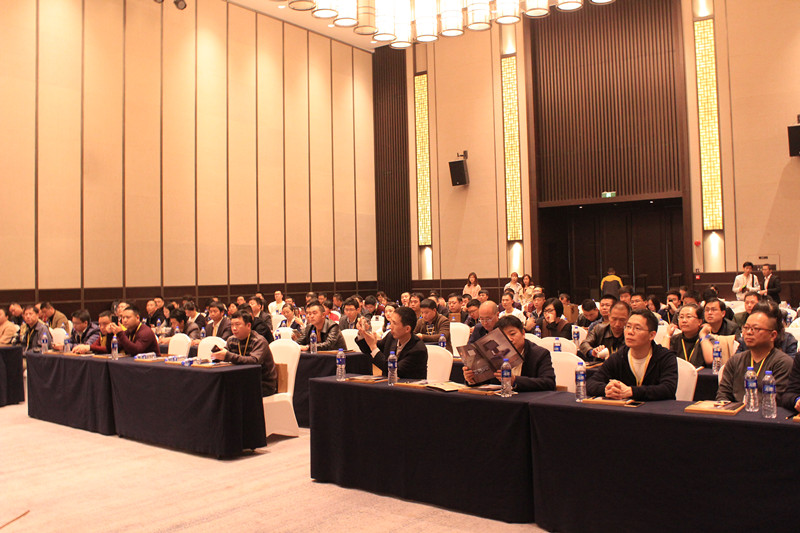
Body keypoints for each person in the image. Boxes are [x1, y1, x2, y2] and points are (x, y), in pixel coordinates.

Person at [586, 309, 678, 401]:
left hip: (657, 408)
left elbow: (668, 388)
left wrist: (632, 391)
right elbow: (591, 383)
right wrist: (607, 389)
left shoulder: (665, 357)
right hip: (625, 409)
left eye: (637, 328)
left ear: (651, 335)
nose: (630, 332)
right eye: (628, 326)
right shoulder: (619, 356)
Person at [717, 301, 792, 403]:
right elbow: (723, 395)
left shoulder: (783, 363)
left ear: (773, 335)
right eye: (746, 328)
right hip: (734, 411)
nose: (748, 332)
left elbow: (775, 400)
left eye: (755, 329)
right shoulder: (735, 360)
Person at [462, 315, 556, 393]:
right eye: (503, 336)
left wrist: (514, 380)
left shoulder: (539, 354)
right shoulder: (494, 354)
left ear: (523, 333)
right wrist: (472, 379)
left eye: (512, 334)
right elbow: (487, 382)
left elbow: (549, 383)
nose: (509, 339)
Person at [211, 311, 277, 397]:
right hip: (242, 380)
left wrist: (227, 356)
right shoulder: (231, 340)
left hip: (262, 383)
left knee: (230, 392)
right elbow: (226, 355)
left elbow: (254, 361)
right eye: (232, 325)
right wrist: (218, 356)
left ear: (248, 325)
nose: (234, 328)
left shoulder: (259, 341)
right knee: (217, 387)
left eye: (237, 325)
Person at [356, 306, 427, 379]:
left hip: (410, 385)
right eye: (390, 322)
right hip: (388, 384)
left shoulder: (418, 349)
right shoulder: (391, 337)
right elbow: (369, 350)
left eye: (394, 323)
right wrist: (363, 333)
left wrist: (373, 347)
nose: (390, 327)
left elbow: (394, 371)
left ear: (407, 329)